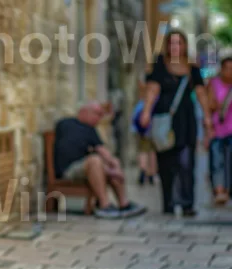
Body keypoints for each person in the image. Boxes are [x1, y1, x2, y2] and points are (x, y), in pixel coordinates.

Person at [139, 30, 213, 216]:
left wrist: (206, 116)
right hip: (164, 118)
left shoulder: (191, 66)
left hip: (185, 119)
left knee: (187, 162)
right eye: (171, 43)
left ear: (184, 45)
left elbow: (201, 92)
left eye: (178, 43)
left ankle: (187, 203)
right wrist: (146, 111)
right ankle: (168, 202)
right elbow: (152, 88)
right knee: (166, 163)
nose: (175, 46)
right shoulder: (160, 63)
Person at [54, 102, 147, 219]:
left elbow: (103, 151)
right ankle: (105, 206)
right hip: (69, 169)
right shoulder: (65, 124)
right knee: (95, 160)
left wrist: (114, 166)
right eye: (97, 114)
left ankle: (124, 204)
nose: (99, 118)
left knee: (108, 163)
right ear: (84, 112)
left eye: (101, 115)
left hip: (87, 168)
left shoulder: (91, 130)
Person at [205, 56, 232, 205]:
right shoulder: (214, 84)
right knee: (217, 161)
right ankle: (220, 191)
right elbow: (210, 106)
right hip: (217, 129)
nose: (229, 71)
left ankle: (228, 190)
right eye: (226, 68)